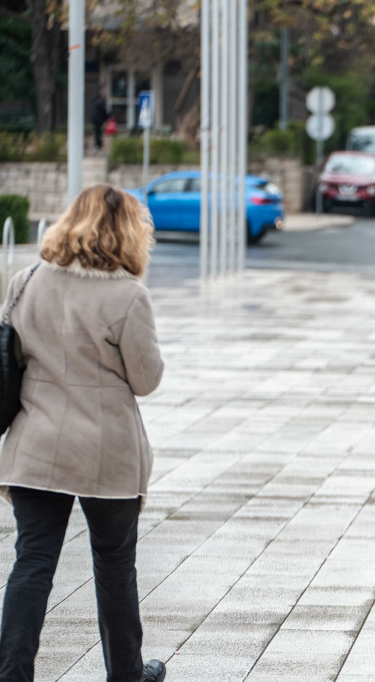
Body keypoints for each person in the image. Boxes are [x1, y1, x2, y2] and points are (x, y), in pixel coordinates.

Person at [0, 185, 166, 682]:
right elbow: (147, 380)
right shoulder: (128, 295)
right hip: (107, 452)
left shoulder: (25, 282)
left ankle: (11, 673)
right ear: (129, 234)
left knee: (32, 562)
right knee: (115, 566)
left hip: (37, 444)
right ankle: (127, 675)